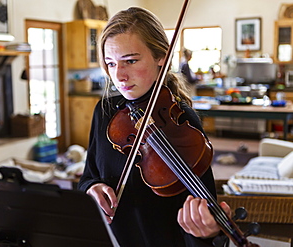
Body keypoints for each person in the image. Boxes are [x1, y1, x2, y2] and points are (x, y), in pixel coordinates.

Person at [77, 7, 230, 247]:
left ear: (162, 57)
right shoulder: (105, 112)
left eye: (130, 61)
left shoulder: (182, 121)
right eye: (111, 63)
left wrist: (208, 230)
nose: (120, 76)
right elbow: (88, 175)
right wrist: (92, 187)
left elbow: (199, 214)